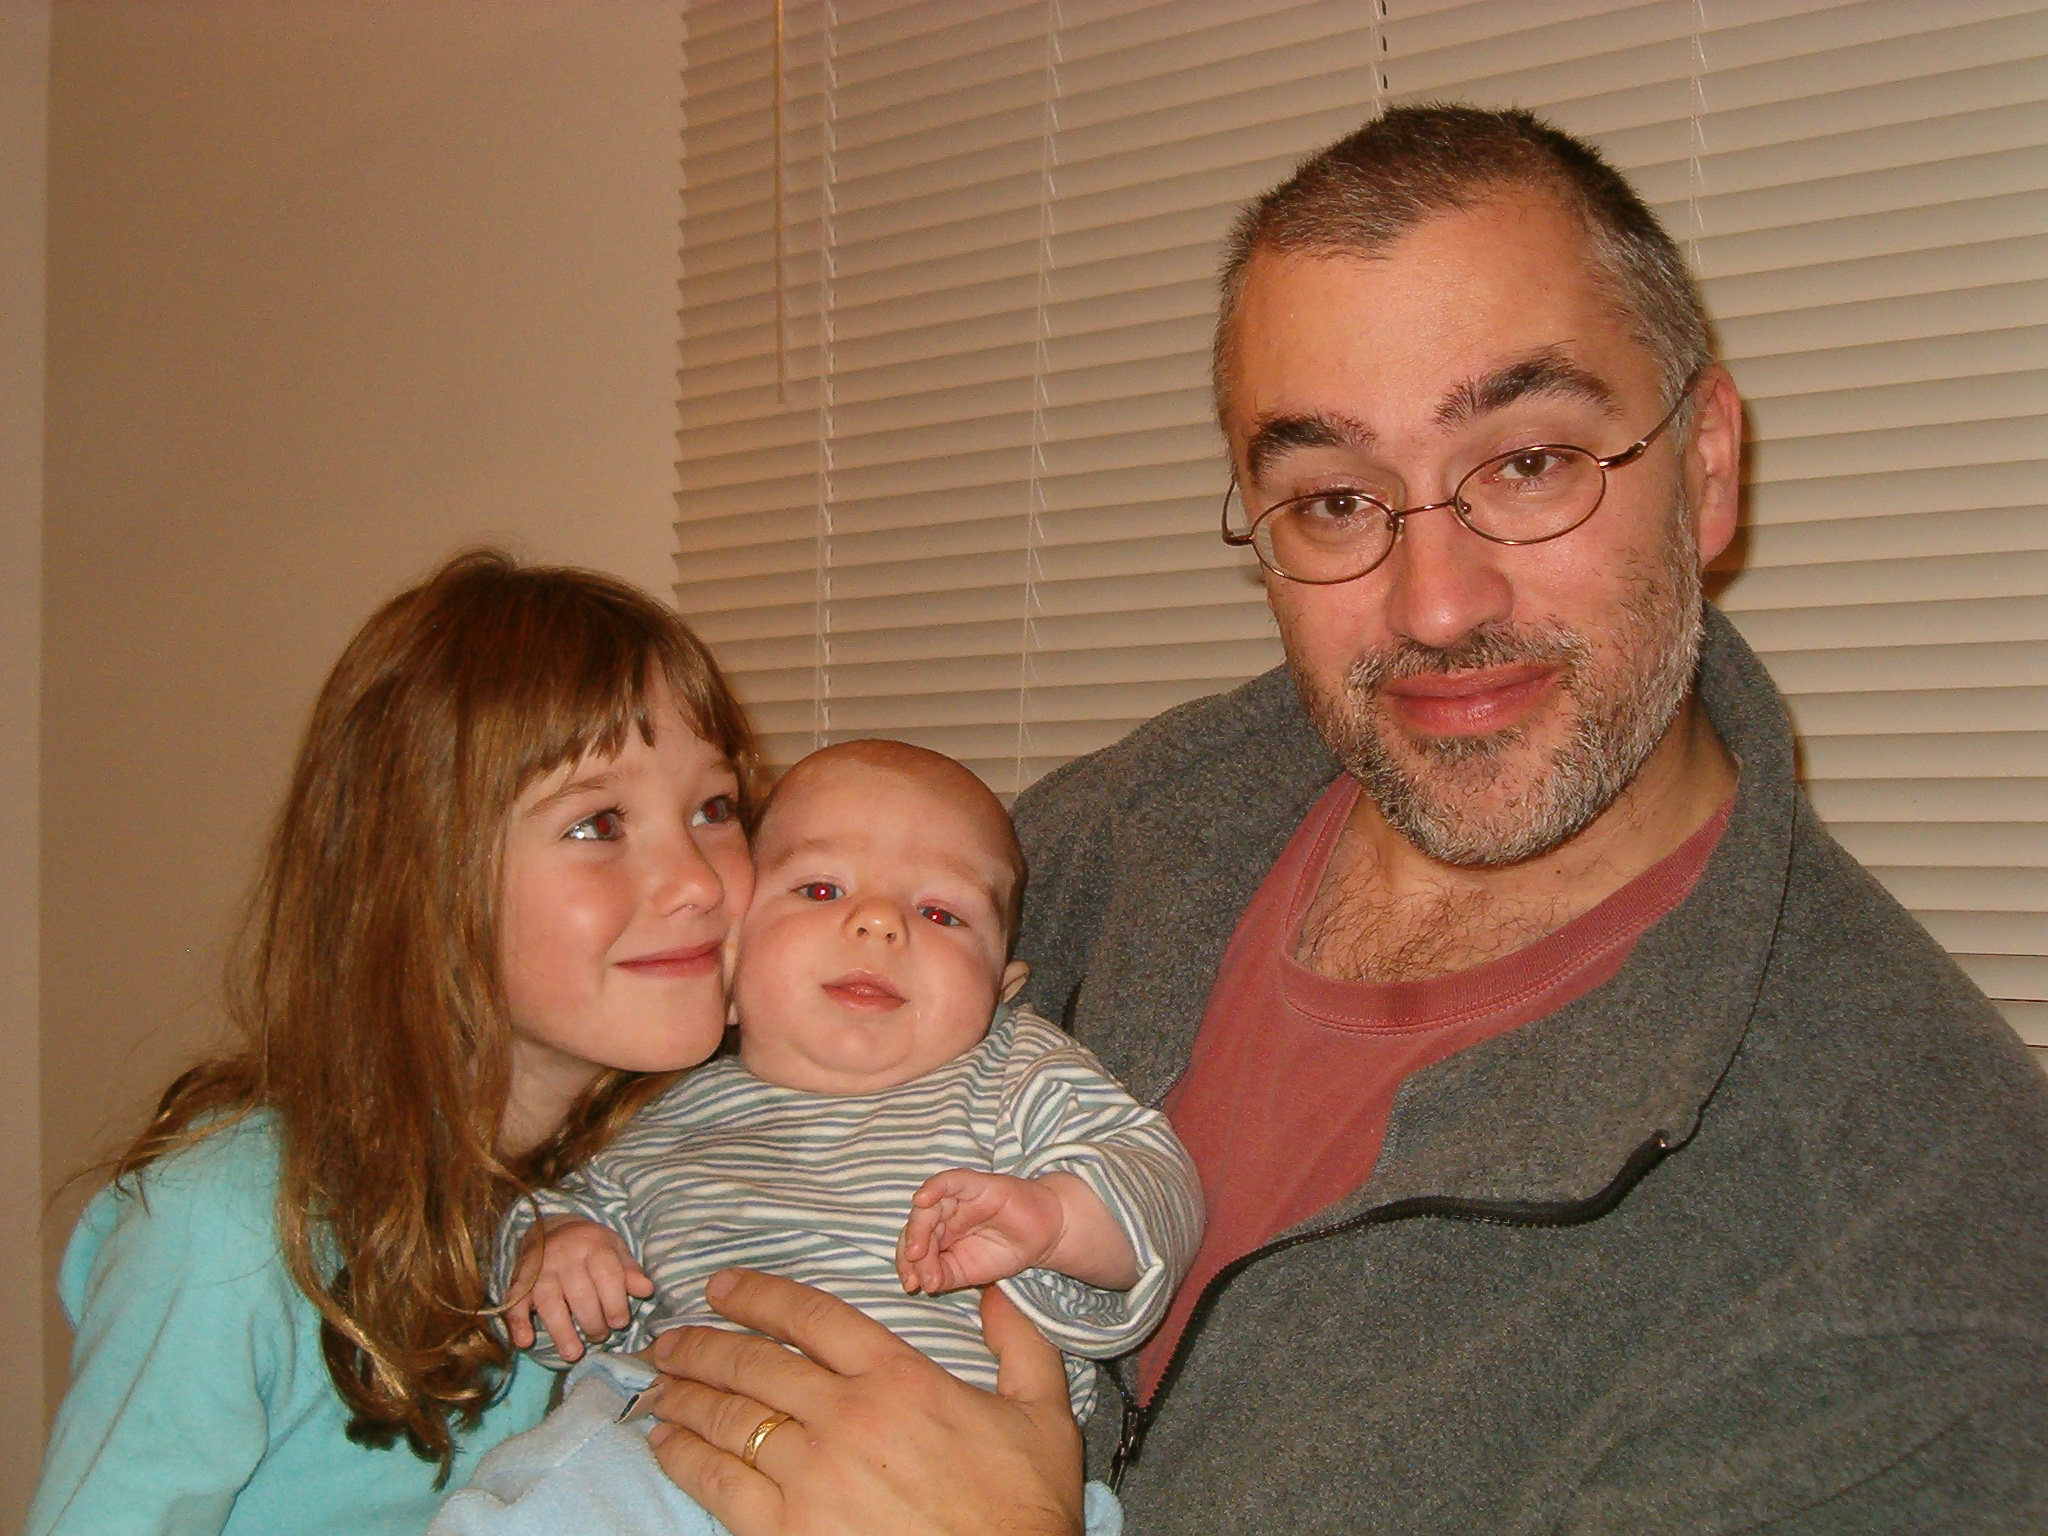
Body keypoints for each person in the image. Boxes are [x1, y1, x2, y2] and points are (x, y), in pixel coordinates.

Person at [634, 105, 2048, 1533]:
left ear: (1708, 464)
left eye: (1529, 462)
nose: (1435, 605)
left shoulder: (1910, 1240)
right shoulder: (1118, 836)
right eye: (1331, 499)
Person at [27, 550, 763, 1536]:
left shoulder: (681, 1169)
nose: (700, 881)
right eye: (597, 824)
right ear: (420, 878)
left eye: (716, 809)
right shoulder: (229, 1232)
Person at [432, 740, 1200, 1536]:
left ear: (1000, 989)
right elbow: (554, 1260)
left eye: (941, 913)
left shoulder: (1015, 1070)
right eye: (822, 888)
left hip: (959, 1475)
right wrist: (555, 1247)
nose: (878, 922)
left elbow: (1152, 1176)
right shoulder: (658, 1120)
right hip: (671, 1462)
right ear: (727, 967)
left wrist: (1059, 1217)